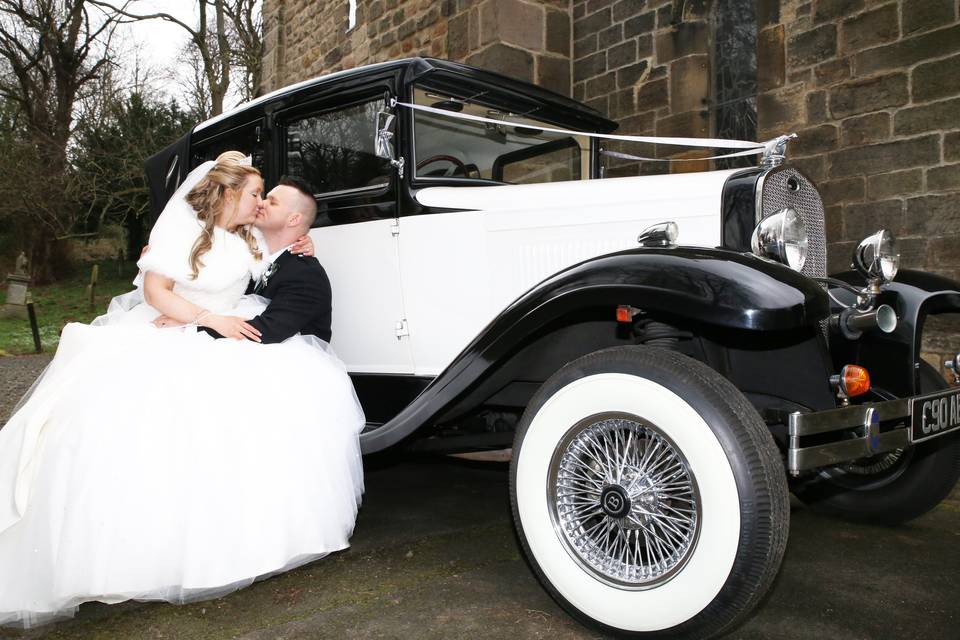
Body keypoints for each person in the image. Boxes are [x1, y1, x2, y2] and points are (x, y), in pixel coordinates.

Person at [0, 152, 366, 628]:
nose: (260, 202)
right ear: (231, 193)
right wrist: (202, 318)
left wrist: (305, 241)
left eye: (265, 197)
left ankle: (220, 542)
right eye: (257, 193)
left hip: (210, 331)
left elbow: (279, 248)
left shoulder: (246, 237)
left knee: (217, 435)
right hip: (178, 327)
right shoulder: (186, 230)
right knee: (126, 432)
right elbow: (156, 291)